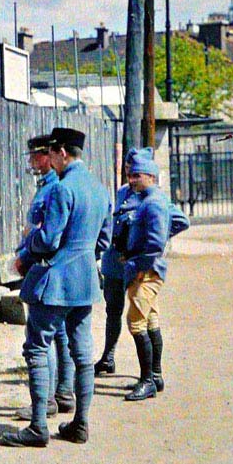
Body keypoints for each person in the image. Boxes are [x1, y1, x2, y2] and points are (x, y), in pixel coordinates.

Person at [0, 127, 112, 447]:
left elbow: (48, 239)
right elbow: (103, 241)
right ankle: (80, 424)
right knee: (82, 352)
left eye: (53, 152)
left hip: (57, 281)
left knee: (36, 346)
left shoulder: (64, 189)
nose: (51, 158)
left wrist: (26, 253)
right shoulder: (99, 189)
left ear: (63, 153)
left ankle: (38, 427)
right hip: (85, 282)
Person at [13, 134, 74, 421]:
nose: (32, 161)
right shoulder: (51, 186)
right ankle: (63, 392)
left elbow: (45, 234)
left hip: (44, 268)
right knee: (59, 333)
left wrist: (25, 256)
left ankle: (49, 398)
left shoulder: (53, 190)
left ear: (50, 157)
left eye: (36, 156)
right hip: (52, 267)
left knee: (43, 339)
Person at [121, 149, 190, 401]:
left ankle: (147, 380)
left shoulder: (153, 203)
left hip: (146, 272)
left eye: (136, 175)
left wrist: (140, 263)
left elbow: (154, 243)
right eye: (130, 175)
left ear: (150, 176)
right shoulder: (150, 199)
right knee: (150, 321)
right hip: (144, 269)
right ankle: (156, 375)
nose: (132, 180)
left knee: (135, 322)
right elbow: (179, 223)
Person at [93, 148, 141, 376]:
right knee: (113, 310)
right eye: (128, 168)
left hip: (134, 263)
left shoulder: (151, 195)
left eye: (135, 169)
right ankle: (108, 357)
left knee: (142, 315)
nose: (130, 173)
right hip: (114, 261)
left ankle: (149, 371)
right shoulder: (121, 192)